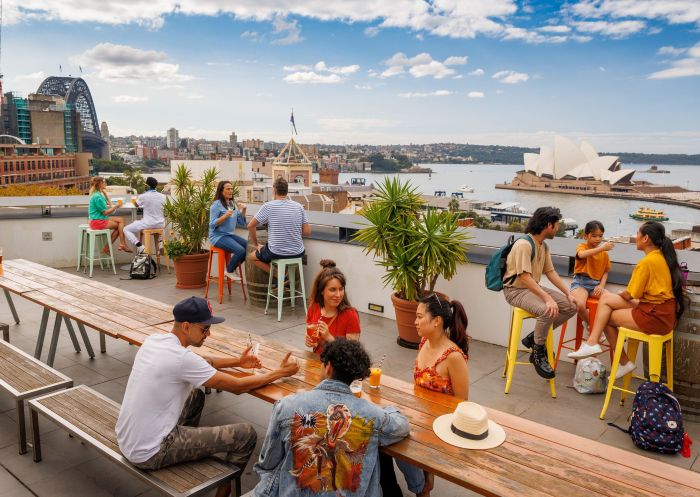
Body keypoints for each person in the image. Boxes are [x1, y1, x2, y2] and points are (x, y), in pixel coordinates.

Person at [116, 296, 300, 497]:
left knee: (195, 396)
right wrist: (280, 373)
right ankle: (223, 490)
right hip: (150, 452)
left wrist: (238, 361)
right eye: (205, 329)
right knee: (246, 435)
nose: (209, 334)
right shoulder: (181, 358)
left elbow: (201, 361)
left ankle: (187, 454)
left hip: (127, 439)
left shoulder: (155, 341)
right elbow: (238, 387)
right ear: (186, 326)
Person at [253, 339, 410, 497]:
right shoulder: (372, 415)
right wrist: (380, 409)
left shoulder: (287, 406)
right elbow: (402, 426)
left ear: (328, 367)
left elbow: (267, 462)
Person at [568, 222, 686, 379]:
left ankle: (602, 348)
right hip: (662, 312)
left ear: (646, 238)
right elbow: (641, 294)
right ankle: (596, 344)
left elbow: (630, 294)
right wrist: (622, 295)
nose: (635, 236)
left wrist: (622, 294)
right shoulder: (661, 258)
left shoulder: (647, 262)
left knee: (606, 316)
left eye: (638, 233)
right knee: (606, 303)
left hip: (654, 317)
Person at [382, 294, 470, 497]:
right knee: (385, 429)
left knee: (398, 441)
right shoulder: (424, 342)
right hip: (418, 415)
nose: (415, 321)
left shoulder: (453, 357)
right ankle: (418, 483)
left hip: (439, 425)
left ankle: (422, 486)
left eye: (420, 316)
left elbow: (462, 403)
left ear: (437, 321)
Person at [501, 206, 577, 379]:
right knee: (547, 310)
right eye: (556, 225)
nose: (558, 229)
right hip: (516, 290)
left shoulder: (543, 246)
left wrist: (568, 293)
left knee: (569, 306)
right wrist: (547, 298)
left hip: (531, 288)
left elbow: (550, 272)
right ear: (548, 225)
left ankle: (534, 338)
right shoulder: (523, 245)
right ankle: (538, 351)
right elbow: (524, 277)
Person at [248, 177, 310, 273]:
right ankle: (285, 277)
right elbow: (307, 232)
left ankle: (278, 275)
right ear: (287, 191)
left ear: (274, 190)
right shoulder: (299, 206)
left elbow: (250, 226)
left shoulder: (268, 206)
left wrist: (256, 245)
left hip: (275, 252)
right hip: (298, 252)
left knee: (251, 256)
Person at [305, 259, 361, 354]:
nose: (338, 295)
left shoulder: (350, 315)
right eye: (333, 290)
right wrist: (308, 341)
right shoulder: (314, 307)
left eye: (341, 289)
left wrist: (329, 337)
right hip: (318, 364)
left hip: (339, 367)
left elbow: (352, 353)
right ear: (321, 290)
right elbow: (310, 333)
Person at [570, 220, 614, 329]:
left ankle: (596, 325)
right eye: (594, 236)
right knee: (580, 305)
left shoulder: (604, 254)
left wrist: (601, 285)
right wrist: (602, 248)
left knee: (612, 300)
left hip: (595, 285)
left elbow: (605, 271)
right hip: (580, 283)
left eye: (600, 236)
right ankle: (591, 324)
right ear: (586, 236)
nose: (598, 239)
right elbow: (581, 255)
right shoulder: (582, 246)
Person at [209, 180, 248, 279]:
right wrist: (225, 216)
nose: (231, 191)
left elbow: (242, 222)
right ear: (221, 191)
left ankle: (232, 268)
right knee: (240, 250)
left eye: (231, 189)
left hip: (228, 235)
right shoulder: (216, 205)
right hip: (217, 236)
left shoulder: (232, 204)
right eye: (228, 189)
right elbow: (212, 224)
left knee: (248, 247)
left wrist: (244, 210)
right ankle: (229, 270)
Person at [124, 176, 167, 253]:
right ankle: (160, 243)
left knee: (126, 229)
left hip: (148, 224)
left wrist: (133, 200)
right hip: (161, 224)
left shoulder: (143, 196)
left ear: (147, 186)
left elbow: (136, 205)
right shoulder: (163, 196)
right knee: (159, 227)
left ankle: (140, 246)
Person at [88, 176, 128, 253]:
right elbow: (105, 212)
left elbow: (109, 203)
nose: (106, 183)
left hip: (98, 218)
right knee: (120, 226)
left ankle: (121, 244)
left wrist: (105, 194)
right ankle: (111, 247)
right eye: (104, 182)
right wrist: (116, 206)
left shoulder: (99, 194)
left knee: (121, 221)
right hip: (97, 221)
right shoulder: (97, 197)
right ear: (100, 184)